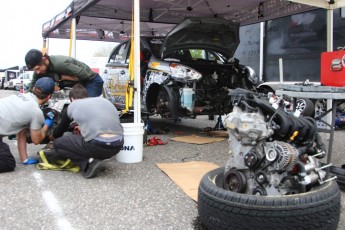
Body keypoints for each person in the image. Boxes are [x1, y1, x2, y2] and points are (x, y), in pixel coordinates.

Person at [42, 84, 124, 179]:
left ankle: (87, 164)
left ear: (72, 99)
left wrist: (49, 137)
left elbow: (58, 133)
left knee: (59, 144)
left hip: (98, 146)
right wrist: (83, 128)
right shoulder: (103, 101)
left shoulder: (72, 106)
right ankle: (98, 157)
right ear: (87, 96)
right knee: (95, 140)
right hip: (118, 145)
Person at [0, 77, 56, 173]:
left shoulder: (19, 95)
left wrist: (24, 159)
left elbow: (21, 130)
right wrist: (47, 124)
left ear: (34, 88)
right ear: (49, 96)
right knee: (8, 162)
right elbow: (36, 140)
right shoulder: (35, 111)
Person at [25, 49, 104, 97]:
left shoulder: (60, 64)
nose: (37, 72)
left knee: (86, 105)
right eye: (34, 70)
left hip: (92, 81)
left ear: (44, 59)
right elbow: (33, 84)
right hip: (77, 83)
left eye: (38, 69)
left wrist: (60, 77)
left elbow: (84, 75)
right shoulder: (39, 70)